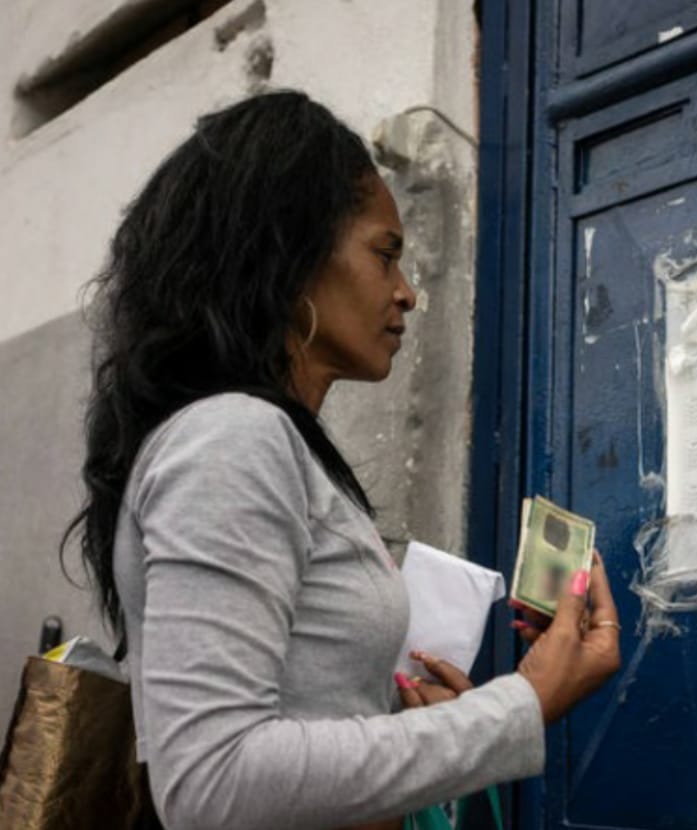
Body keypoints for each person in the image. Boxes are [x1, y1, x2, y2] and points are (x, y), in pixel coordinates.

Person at [61, 90, 621, 830]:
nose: (408, 293)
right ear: (286, 255)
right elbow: (213, 783)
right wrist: (521, 703)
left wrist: (420, 725)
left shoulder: (270, 443)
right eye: (385, 254)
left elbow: (297, 731)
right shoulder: (232, 439)